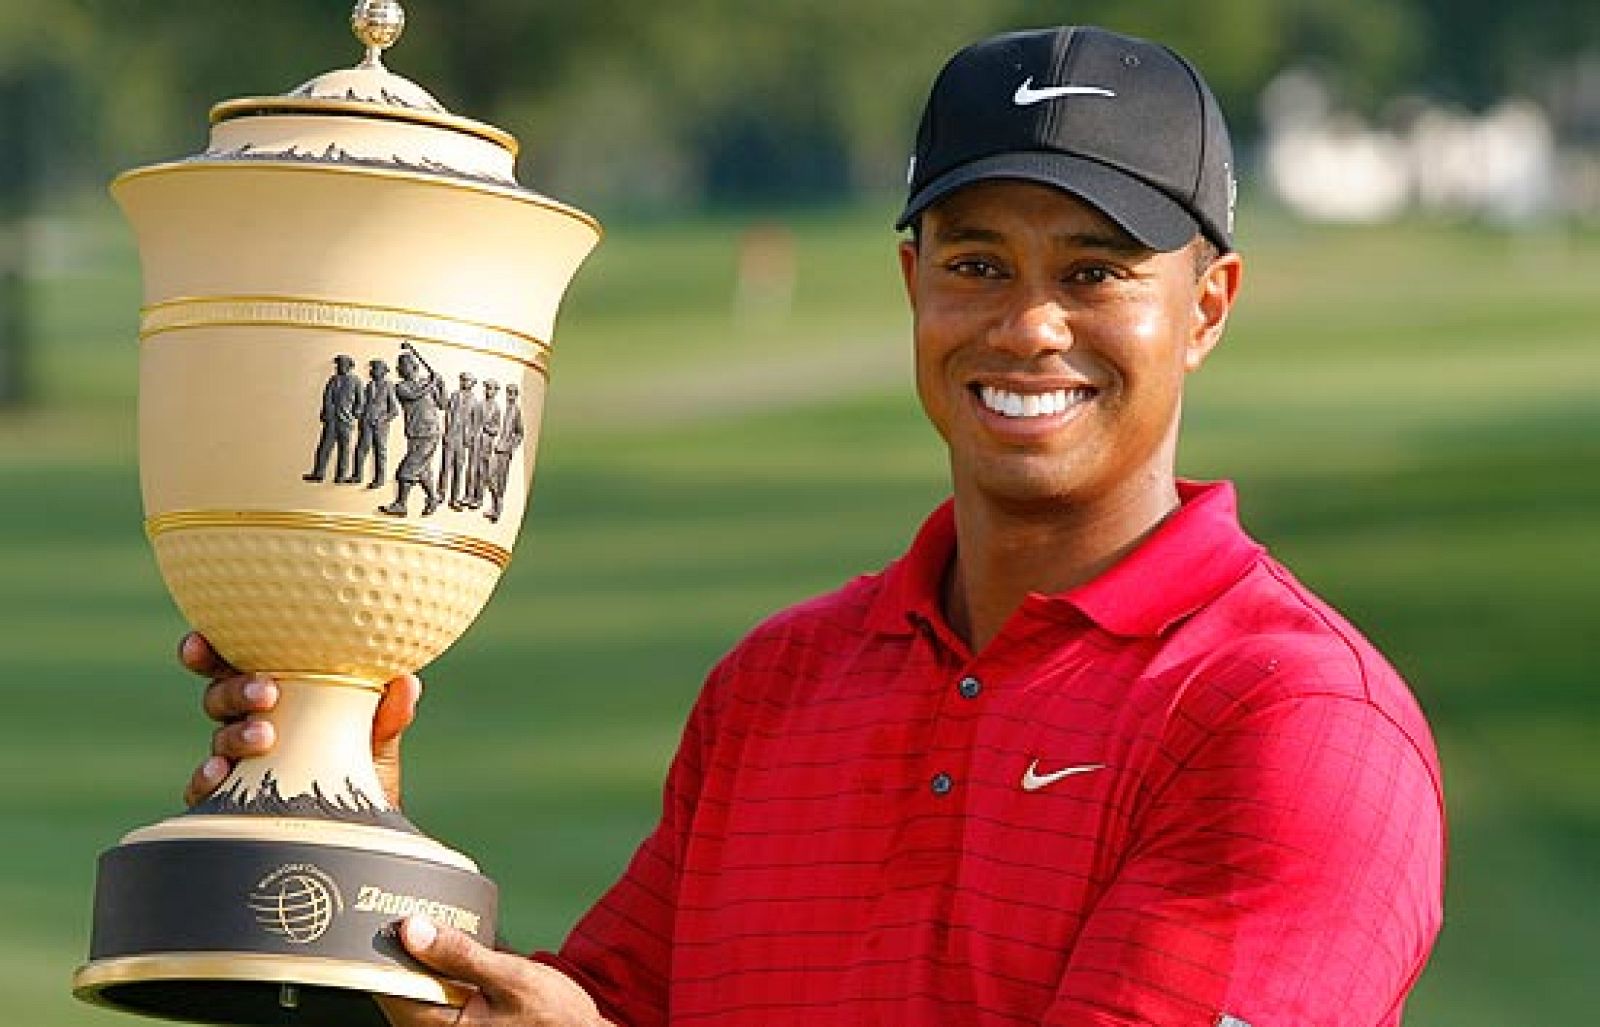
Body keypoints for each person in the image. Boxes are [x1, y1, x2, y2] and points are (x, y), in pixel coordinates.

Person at [185, 25, 1445, 1027]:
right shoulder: (781, 684)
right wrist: (357, 844)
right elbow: (603, 1011)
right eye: (977, 263)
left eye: (1095, 270)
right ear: (913, 281)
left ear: (1207, 304)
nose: (1029, 326)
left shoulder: (1293, 728)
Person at [379, 346, 448, 518]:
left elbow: (443, 404)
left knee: (407, 468)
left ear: (414, 367)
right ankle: (433, 497)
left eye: (403, 365)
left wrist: (441, 384)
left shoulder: (427, 384)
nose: (399, 369)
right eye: (399, 366)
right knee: (422, 469)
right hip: (414, 432)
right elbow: (414, 395)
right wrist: (433, 382)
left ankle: (401, 504)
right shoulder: (401, 387)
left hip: (430, 432)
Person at [302, 353, 361, 483]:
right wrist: (326, 412)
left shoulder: (356, 381)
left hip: (346, 420)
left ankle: (341, 475)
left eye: (342, 364)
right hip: (332, 420)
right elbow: (327, 397)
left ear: (350, 366)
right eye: (338, 364)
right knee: (324, 446)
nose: (339, 367)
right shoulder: (333, 380)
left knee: (344, 449)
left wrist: (355, 413)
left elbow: (360, 401)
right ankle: (318, 473)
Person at [349, 357, 401, 488]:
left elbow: (395, 410)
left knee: (380, 452)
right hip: (366, 422)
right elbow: (364, 403)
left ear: (383, 371)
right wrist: (359, 413)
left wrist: (382, 419)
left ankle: (380, 479)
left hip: (380, 425)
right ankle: (357, 475)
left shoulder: (388, 386)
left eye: (376, 368)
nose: (373, 371)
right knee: (361, 449)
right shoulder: (369, 385)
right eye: (372, 368)